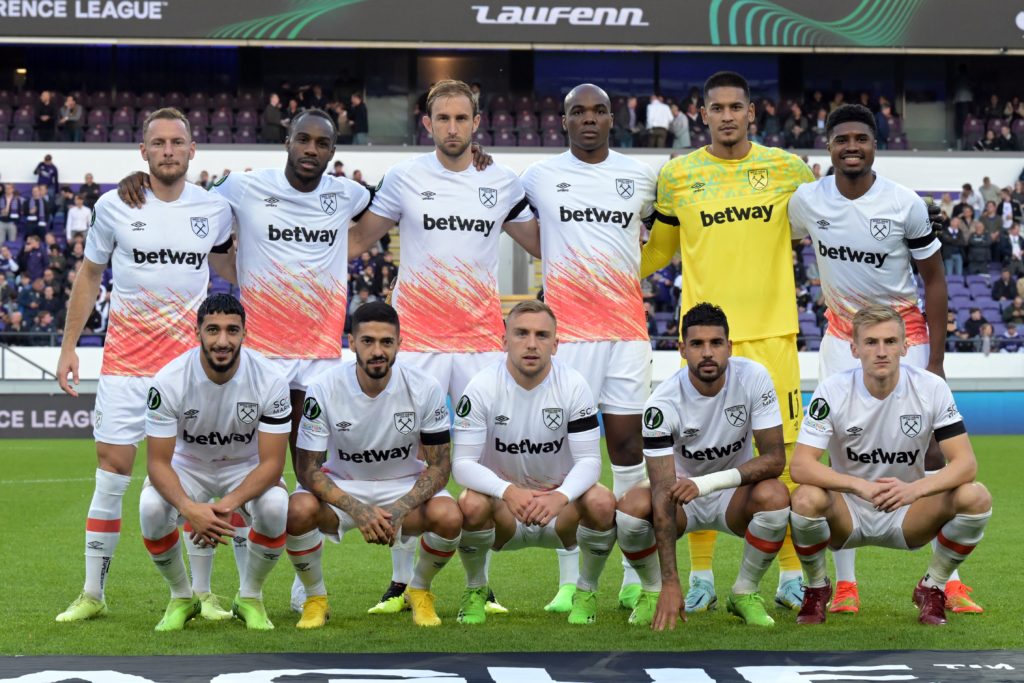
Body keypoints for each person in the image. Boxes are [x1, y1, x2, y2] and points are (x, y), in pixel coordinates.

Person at [347, 79, 538, 615]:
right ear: (427, 125)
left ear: (477, 123)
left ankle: (479, 585)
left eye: (462, 118)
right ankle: (401, 582)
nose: (453, 127)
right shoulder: (404, 178)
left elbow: (546, 244)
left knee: (485, 464)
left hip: (479, 342)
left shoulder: (501, 181)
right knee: (410, 464)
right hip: (420, 343)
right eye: (443, 119)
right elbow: (358, 240)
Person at [787, 103, 981, 613]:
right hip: (839, 338)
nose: (852, 147)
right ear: (828, 146)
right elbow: (773, 231)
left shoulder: (904, 204)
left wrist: (935, 361)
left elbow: (935, 279)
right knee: (835, 452)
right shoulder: (807, 200)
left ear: (875, 145)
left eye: (861, 139)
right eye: (841, 139)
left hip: (904, 338)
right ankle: (844, 583)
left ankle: (946, 578)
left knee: (936, 456)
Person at [641, 70, 814, 613]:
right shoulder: (678, 176)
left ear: (750, 112)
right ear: (702, 114)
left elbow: (822, 228)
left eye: (736, 106)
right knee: (694, 456)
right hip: (705, 340)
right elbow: (658, 250)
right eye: (716, 108)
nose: (727, 115)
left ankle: (789, 576)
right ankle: (700, 579)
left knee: (778, 460)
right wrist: (592, 262)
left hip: (771, 335)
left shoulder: (789, 169)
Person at [54, 108, 235, 623]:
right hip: (126, 366)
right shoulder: (113, 204)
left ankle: (203, 594)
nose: (169, 150)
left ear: (193, 149)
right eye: (159, 143)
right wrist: (71, 346)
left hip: (190, 371)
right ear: (144, 152)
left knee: (193, 481)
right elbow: (90, 277)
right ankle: (93, 593)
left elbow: (228, 263)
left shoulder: (216, 208)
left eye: (178, 142)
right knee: (111, 473)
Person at [520, 83, 657, 611]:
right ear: (563, 120)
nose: (589, 119)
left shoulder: (640, 177)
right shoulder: (540, 176)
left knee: (627, 451)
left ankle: (631, 573)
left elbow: (664, 233)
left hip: (625, 334)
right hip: (569, 337)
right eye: (578, 111)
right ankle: (572, 581)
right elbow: (504, 213)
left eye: (599, 111)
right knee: (566, 455)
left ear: (613, 118)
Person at [790, 305, 992, 626]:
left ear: (905, 346)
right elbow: (800, 466)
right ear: (854, 349)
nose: (881, 351)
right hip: (849, 512)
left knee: (976, 496)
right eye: (871, 342)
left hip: (907, 512)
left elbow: (965, 463)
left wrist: (915, 489)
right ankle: (816, 588)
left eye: (890, 341)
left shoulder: (931, 388)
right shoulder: (833, 390)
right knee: (805, 498)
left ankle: (933, 586)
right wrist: (860, 486)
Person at [287, 302, 461, 628]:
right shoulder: (324, 388)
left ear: (399, 343)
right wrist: (358, 508)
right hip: (343, 486)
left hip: (402, 487)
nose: (377, 351)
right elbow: (307, 468)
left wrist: (399, 508)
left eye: (386, 342)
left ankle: (419, 589)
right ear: (351, 342)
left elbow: (440, 466)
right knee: (296, 510)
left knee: (450, 517)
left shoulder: (425, 387)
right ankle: (314, 597)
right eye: (367, 341)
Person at [619, 302, 789, 629]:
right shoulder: (662, 404)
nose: (707, 352)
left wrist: (707, 483)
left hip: (731, 496)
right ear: (682, 349)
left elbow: (775, 459)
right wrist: (671, 581)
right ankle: (654, 592)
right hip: (680, 499)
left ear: (730, 346)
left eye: (716, 343)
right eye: (697, 344)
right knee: (631, 509)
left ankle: (744, 592)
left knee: (776, 496)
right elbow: (662, 492)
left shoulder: (754, 377)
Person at [451, 300, 616, 626]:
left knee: (602, 500)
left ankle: (586, 591)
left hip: (559, 513)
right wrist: (507, 491)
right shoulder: (482, 387)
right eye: (521, 333)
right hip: (504, 513)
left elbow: (590, 461)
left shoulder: (574, 385)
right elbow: (462, 465)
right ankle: (476, 590)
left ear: (555, 344)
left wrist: (561, 495)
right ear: (504, 340)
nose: (531, 344)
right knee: (469, 503)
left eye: (542, 335)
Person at [140, 294, 291, 631]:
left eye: (232, 331)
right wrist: (189, 507)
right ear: (197, 333)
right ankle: (182, 597)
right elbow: (158, 463)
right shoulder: (168, 380)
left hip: (246, 465)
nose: (223, 341)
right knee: (150, 509)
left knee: (276, 507)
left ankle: (249, 597)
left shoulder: (271, 379)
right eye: (213, 330)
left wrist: (226, 505)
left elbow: (272, 463)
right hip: (188, 465)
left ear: (244, 333)